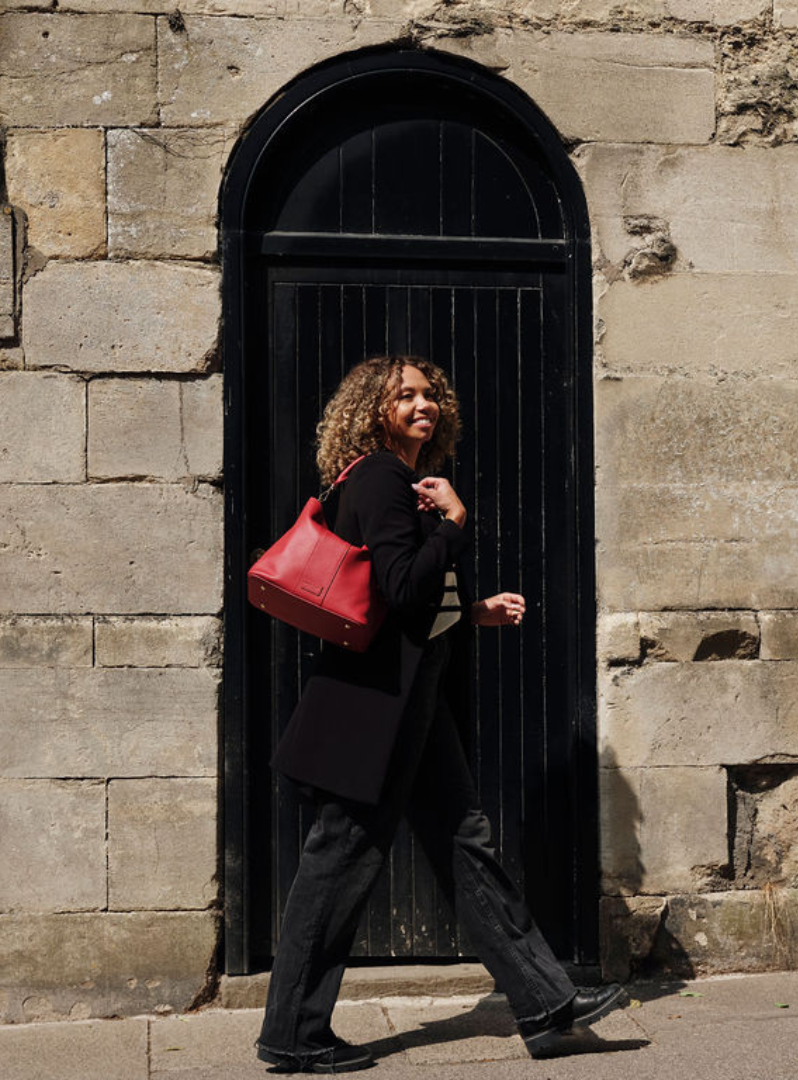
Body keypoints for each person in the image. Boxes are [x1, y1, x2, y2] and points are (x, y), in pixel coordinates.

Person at [257, 355, 624, 1074]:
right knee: (339, 861)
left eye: (429, 394)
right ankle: (292, 1034)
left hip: (402, 705)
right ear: (374, 410)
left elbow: (400, 600)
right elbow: (401, 584)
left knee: (466, 847)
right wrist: (456, 524)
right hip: (377, 712)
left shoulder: (374, 478)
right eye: (404, 396)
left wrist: (474, 610)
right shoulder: (385, 476)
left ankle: (545, 1006)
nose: (422, 404)